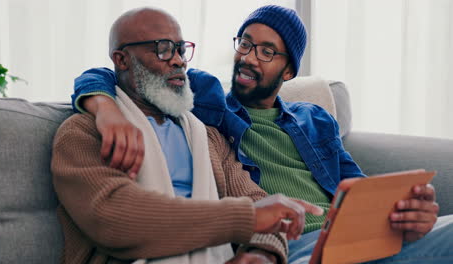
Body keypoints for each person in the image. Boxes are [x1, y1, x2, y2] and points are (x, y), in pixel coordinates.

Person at [71, 5, 453, 264]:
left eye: (267, 51)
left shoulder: (315, 118)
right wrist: (102, 106)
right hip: (299, 245)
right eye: (246, 43)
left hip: (348, 236)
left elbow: (358, 189)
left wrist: (404, 214)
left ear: (289, 72)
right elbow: (121, 71)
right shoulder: (207, 101)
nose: (250, 57)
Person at [52, 7, 325, 264]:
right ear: (121, 60)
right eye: (163, 49)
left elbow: (260, 204)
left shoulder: (207, 136)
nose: (178, 61)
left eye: (181, 49)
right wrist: (247, 218)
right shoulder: (84, 132)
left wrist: (261, 254)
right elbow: (115, 220)